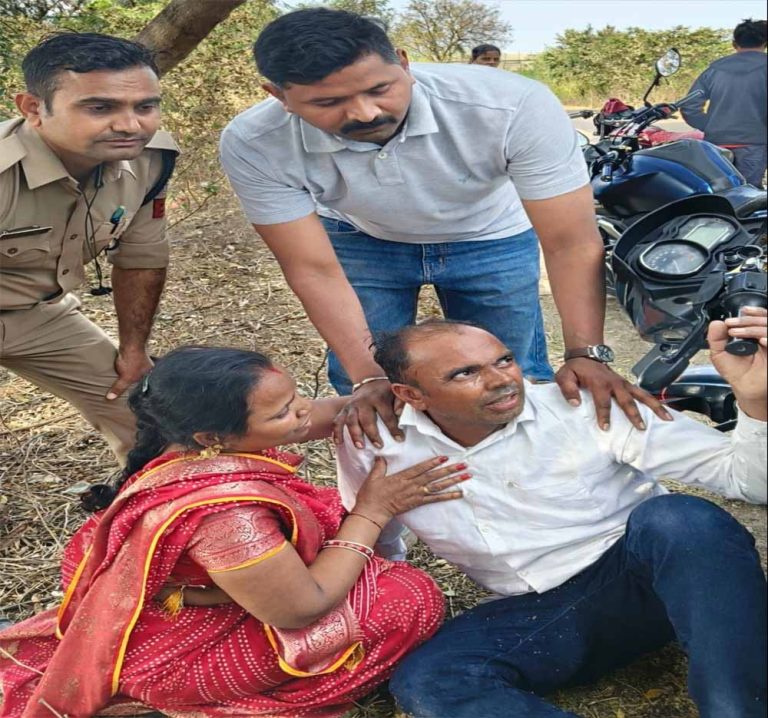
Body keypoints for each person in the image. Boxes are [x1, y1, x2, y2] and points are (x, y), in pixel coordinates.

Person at [220, 8, 668, 452]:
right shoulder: (255, 142)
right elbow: (312, 268)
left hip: (492, 236)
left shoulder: (510, 104)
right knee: (376, 396)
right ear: (277, 95)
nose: (365, 112)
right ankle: (403, 481)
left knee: (509, 378)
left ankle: (523, 476)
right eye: (327, 103)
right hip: (361, 239)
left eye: (380, 89)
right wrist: (368, 376)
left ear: (403, 63)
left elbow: (569, 241)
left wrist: (586, 353)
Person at [336, 310, 768, 717]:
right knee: (430, 680)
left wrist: (756, 400)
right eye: (465, 373)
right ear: (410, 395)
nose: (501, 380)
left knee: (679, 519)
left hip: (647, 581)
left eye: (504, 360)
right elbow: (380, 542)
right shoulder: (377, 443)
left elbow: (747, 481)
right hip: (538, 613)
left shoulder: (585, 406)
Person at [0, 345, 468, 717]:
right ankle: (232, 704)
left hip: (185, 609)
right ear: (212, 438)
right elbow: (301, 609)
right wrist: (373, 510)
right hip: (176, 658)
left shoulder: (187, 442)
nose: (304, 412)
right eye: (283, 412)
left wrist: (400, 399)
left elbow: (331, 414)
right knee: (409, 598)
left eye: (296, 397)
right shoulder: (227, 517)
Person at [0, 32, 179, 464]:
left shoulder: (150, 160)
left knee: (154, 423)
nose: (130, 125)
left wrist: (133, 350)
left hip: (39, 315)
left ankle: (159, 502)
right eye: (100, 108)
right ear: (33, 108)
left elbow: (141, 258)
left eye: (145, 106)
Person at [682, 18, 767, 187]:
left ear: (734, 44)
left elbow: (689, 106)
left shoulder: (714, 70)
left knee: (720, 191)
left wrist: (711, 125)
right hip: (755, 143)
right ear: (765, 43)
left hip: (716, 143)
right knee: (749, 193)